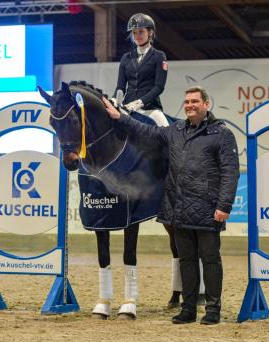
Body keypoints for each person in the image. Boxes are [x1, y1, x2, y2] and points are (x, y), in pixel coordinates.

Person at [102, 86, 240, 325]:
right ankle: (188, 309)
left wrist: (224, 205)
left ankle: (213, 309)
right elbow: (145, 131)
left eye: (195, 101)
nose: (190, 105)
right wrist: (119, 118)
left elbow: (230, 172)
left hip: (207, 208)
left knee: (210, 259)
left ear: (207, 104)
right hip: (178, 208)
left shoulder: (222, 133)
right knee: (186, 260)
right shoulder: (174, 131)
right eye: (187, 101)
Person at [91, 12, 170, 321]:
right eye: (135, 32)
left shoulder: (160, 57)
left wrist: (139, 106)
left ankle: (168, 176)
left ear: (150, 33)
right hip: (127, 107)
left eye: (142, 31)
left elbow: (158, 88)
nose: (138, 35)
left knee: (165, 135)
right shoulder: (125, 59)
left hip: (152, 110)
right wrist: (118, 103)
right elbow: (121, 86)